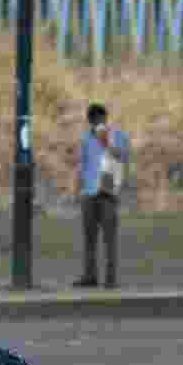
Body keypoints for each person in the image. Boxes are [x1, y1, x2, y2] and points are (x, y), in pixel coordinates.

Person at [74, 103, 130, 289]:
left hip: (108, 192)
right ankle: (90, 276)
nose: (97, 123)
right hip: (89, 193)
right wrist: (80, 190)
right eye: (93, 121)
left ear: (106, 118)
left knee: (110, 238)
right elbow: (83, 165)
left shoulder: (119, 136)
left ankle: (110, 278)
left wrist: (106, 142)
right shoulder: (85, 138)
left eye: (99, 119)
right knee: (89, 238)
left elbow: (122, 157)